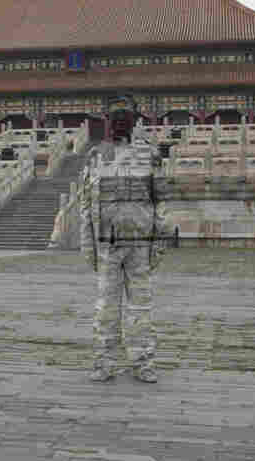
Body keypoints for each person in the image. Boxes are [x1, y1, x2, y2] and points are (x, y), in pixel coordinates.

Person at [79, 138, 172, 383]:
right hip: (106, 244)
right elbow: (86, 205)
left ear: (133, 118)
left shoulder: (149, 154)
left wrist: (159, 243)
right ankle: (104, 362)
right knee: (106, 309)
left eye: (125, 113)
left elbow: (161, 202)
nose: (120, 119)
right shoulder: (96, 155)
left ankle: (142, 361)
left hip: (141, 244)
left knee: (141, 307)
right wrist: (88, 245)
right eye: (114, 114)